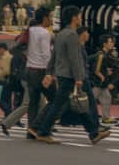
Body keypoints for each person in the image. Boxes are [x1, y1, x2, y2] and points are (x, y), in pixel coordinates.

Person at [29, 8, 107, 144]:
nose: (81, 18)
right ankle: (42, 131)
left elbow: (54, 55)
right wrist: (78, 78)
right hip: (70, 76)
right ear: (74, 18)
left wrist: (49, 72)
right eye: (79, 16)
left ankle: (93, 132)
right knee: (61, 104)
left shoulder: (61, 34)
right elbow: (74, 58)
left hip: (63, 74)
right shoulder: (72, 35)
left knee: (79, 102)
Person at [0, 8, 54, 136]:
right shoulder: (44, 33)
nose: (52, 19)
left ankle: (34, 129)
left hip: (29, 71)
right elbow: (46, 55)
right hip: (40, 70)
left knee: (35, 103)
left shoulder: (30, 32)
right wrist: (50, 72)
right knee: (53, 100)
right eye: (51, 16)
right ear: (45, 18)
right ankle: (38, 127)